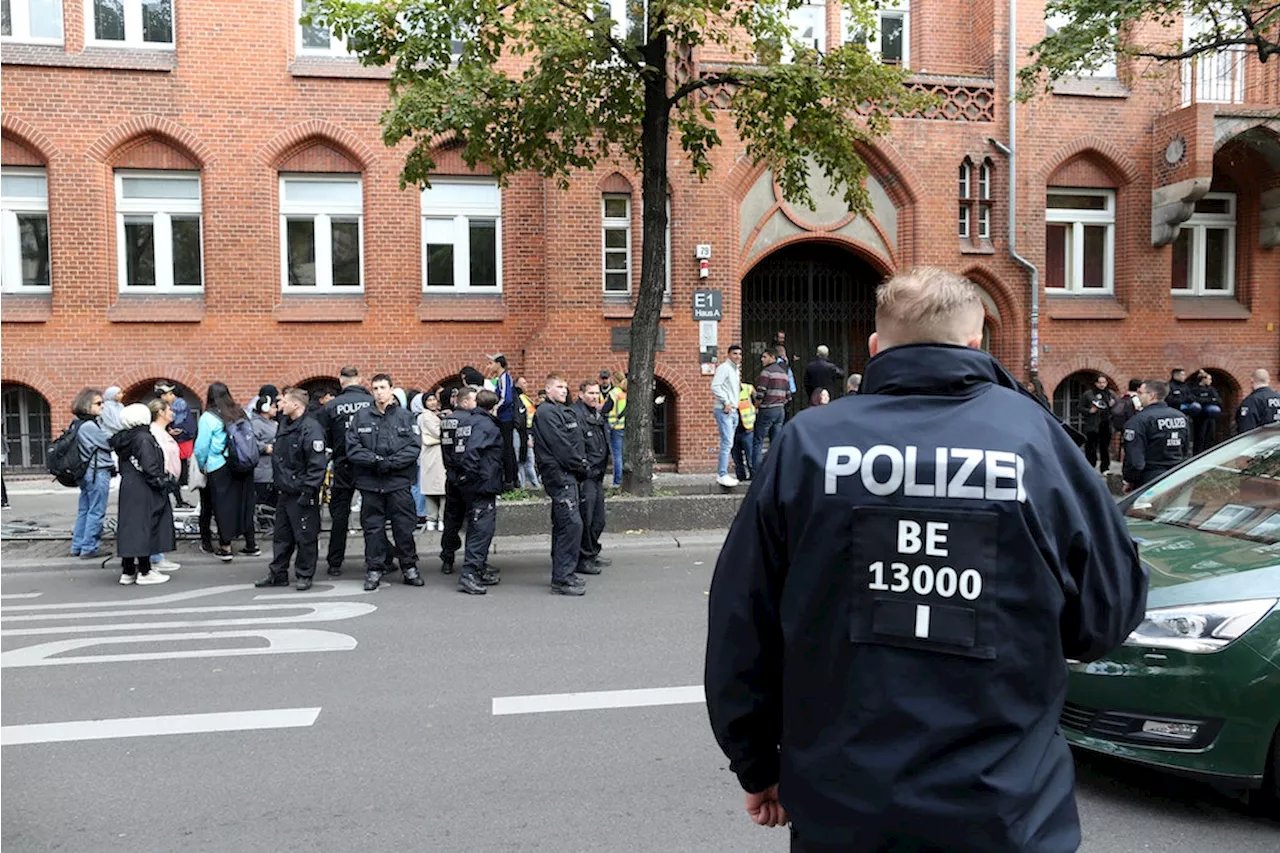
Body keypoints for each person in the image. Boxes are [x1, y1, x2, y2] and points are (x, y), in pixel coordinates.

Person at [705, 266, 1147, 853]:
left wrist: (757, 764)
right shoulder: (1037, 441)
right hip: (1005, 808)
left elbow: (742, 620)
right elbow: (1106, 616)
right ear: (976, 342)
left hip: (846, 806)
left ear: (874, 345)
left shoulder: (808, 443)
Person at [346, 373, 424, 591]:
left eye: (382, 387)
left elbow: (413, 447)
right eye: (375, 388)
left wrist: (390, 463)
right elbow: (353, 448)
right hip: (370, 483)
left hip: (398, 482)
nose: (379, 392)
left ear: (391, 389)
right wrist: (375, 461)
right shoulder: (360, 417)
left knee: (404, 527)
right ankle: (374, 568)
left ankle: (409, 566)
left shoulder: (405, 417)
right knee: (373, 529)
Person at [256, 388, 328, 591]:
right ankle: (278, 573)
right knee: (281, 536)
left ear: (296, 404)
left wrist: (308, 491)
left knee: (305, 536)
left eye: (284, 401)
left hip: (302, 492)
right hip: (284, 490)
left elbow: (316, 463)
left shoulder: (310, 428)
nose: (280, 405)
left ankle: (305, 574)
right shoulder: (285, 425)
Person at [533, 372, 590, 596]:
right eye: (558, 387)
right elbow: (561, 445)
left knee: (565, 524)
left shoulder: (561, 411)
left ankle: (564, 573)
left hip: (568, 474)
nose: (564, 390)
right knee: (571, 524)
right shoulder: (546, 413)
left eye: (566, 387)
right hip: (560, 474)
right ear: (547, 390)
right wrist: (580, 465)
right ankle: (562, 578)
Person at [109, 403, 175, 586]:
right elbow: (150, 466)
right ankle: (145, 571)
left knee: (131, 527)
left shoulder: (124, 438)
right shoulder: (144, 438)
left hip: (129, 485)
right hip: (144, 486)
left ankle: (128, 569)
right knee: (147, 525)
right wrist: (162, 482)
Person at [316, 366, 373, 576]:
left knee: (339, 516)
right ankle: (378, 558)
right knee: (372, 514)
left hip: (343, 464)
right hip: (368, 464)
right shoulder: (371, 402)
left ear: (341, 381)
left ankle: (335, 562)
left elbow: (324, 438)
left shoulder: (331, 406)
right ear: (359, 379)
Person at [194, 382, 254, 562]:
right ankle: (251, 544)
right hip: (241, 463)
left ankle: (225, 546)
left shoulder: (208, 417)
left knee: (222, 506)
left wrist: (202, 465)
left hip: (218, 465)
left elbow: (201, 447)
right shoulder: (240, 412)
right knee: (243, 503)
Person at [454, 388, 505, 594]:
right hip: (482, 483)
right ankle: (470, 573)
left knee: (476, 527)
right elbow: (473, 452)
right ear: (494, 406)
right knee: (482, 529)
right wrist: (475, 476)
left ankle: (479, 567)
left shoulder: (467, 421)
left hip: (469, 482)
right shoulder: (486, 425)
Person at [69, 388, 114, 559]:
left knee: (85, 509)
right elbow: (109, 442)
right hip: (97, 472)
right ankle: (89, 547)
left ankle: (78, 545)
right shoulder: (90, 426)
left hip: (85, 472)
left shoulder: (77, 423)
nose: (102, 406)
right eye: (98, 403)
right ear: (87, 405)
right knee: (96, 510)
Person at [1123, 378, 1191, 488]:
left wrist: (1130, 480)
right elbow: (1185, 448)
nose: (1137, 396)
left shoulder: (1139, 421)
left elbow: (1135, 461)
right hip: (1177, 475)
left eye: (1140, 393)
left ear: (1151, 396)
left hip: (1150, 478)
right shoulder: (1181, 417)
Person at [573, 379, 611, 575]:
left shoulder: (595, 414)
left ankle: (592, 552)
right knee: (586, 519)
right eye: (591, 393)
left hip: (597, 474)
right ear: (581, 394)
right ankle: (583, 557)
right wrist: (586, 468)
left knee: (598, 520)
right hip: (587, 475)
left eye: (597, 394)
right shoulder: (577, 414)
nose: (595, 397)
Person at [439, 386, 477, 575]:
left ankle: (447, 557)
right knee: (473, 520)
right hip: (467, 476)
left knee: (451, 519)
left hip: (451, 474)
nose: (475, 404)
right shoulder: (471, 420)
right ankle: (473, 560)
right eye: (473, 400)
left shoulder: (447, 421)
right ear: (464, 402)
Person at [146, 398, 183, 573]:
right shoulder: (155, 432)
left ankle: (158, 556)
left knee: (161, 518)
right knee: (157, 518)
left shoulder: (162, 431)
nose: (172, 412)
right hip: (161, 481)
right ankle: (156, 557)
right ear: (160, 412)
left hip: (167, 481)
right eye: (169, 409)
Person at [156, 381, 196, 508]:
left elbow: (177, 420)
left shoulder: (177, 404)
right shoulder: (177, 403)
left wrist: (174, 429)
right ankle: (178, 497)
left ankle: (178, 494)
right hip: (180, 437)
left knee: (175, 466)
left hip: (180, 438)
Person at [753, 348, 790, 472]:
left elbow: (761, 393)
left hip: (767, 409)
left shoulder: (766, 372)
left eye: (764, 357)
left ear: (772, 357)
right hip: (780, 410)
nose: (762, 359)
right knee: (775, 443)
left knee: (758, 441)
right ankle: (774, 471)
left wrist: (756, 406)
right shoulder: (784, 373)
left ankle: (756, 472)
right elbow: (788, 395)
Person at [712, 345, 743, 488]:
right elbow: (715, 386)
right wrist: (726, 401)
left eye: (739, 354)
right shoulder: (724, 368)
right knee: (727, 442)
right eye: (735, 353)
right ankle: (722, 474)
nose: (738, 356)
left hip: (733, 410)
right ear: (729, 354)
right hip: (725, 410)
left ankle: (724, 473)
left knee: (728, 442)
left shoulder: (735, 370)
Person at [416, 393, 448, 531]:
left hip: (438, 455)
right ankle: (434, 518)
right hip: (432, 454)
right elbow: (438, 432)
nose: (433, 402)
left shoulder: (436, 415)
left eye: (434, 399)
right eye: (429, 400)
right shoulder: (425, 417)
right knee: (433, 489)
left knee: (440, 488)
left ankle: (439, 518)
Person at [488, 353, 519, 492]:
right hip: (504, 417)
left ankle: (510, 480)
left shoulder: (504, 378)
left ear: (498, 364)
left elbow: (505, 398)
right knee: (508, 448)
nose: (489, 366)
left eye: (491, 363)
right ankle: (512, 478)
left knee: (507, 448)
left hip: (505, 417)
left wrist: (495, 408)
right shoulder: (501, 378)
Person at [1078, 374, 1117, 474]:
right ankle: (1090, 466)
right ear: (1095, 383)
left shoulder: (1110, 394)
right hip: (1093, 424)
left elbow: (1118, 408)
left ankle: (1105, 468)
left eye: (1104, 382)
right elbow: (1080, 408)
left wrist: (1113, 405)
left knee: (1105, 447)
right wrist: (1089, 411)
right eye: (1100, 382)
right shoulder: (1089, 394)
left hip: (1106, 423)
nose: (1102, 385)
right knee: (1091, 447)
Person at [250, 389, 280, 516]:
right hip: (262, 469)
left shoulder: (272, 423)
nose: (276, 409)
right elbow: (252, 442)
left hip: (272, 468)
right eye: (273, 407)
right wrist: (265, 448)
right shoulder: (256, 424)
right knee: (263, 498)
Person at [602, 372, 627, 487]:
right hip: (626, 426)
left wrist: (600, 410)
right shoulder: (626, 392)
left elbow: (606, 409)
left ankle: (617, 482)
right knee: (624, 454)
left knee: (617, 455)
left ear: (614, 380)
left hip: (615, 426)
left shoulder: (614, 393)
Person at [1189, 369, 1223, 454]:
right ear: (1203, 379)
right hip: (1199, 417)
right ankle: (1197, 454)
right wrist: (1210, 400)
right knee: (1199, 436)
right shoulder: (1194, 389)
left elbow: (1218, 400)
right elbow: (1195, 400)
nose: (1210, 381)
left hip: (1210, 416)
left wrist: (1207, 400)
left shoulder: (1211, 389)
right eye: (1209, 379)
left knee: (1210, 436)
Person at [1237, 368, 1280, 433]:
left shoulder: (1252, 401)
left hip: (1260, 441)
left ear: (1252, 380)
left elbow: (1246, 430)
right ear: (1268, 380)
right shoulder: (1278, 397)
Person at [516, 378, 540, 489]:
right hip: (526, 432)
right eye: (524, 383)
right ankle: (533, 485)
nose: (527, 385)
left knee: (528, 461)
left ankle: (531, 484)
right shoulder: (520, 399)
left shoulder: (525, 398)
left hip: (529, 432)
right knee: (527, 460)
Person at [733, 378, 757, 482]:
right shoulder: (728, 393)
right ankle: (741, 477)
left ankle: (754, 477)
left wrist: (756, 409)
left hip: (747, 428)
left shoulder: (747, 388)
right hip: (733, 431)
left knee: (750, 457)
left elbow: (758, 398)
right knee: (736, 458)